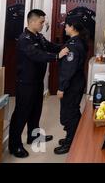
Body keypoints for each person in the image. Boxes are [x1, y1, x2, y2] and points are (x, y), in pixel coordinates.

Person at [9, 9, 69, 158]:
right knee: (21, 115)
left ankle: (33, 136)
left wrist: (67, 46)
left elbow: (50, 46)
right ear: (32, 21)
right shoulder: (24, 39)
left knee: (36, 111)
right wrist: (57, 56)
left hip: (37, 82)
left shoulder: (39, 37)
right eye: (41, 22)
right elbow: (37, 55)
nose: (43, 24)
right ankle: (15, 146)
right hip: (25, 83)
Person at [54, 16, 88, 154]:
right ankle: (74, 136)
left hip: (72, 85)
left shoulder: (73, 46)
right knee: (73, 111)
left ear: (72, 27)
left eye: (66, 26)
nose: (65, 28)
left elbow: (68, 70)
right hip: (77, 83)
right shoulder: (78, 41)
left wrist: (61, 87)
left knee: (69, 114)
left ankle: (70, 142)